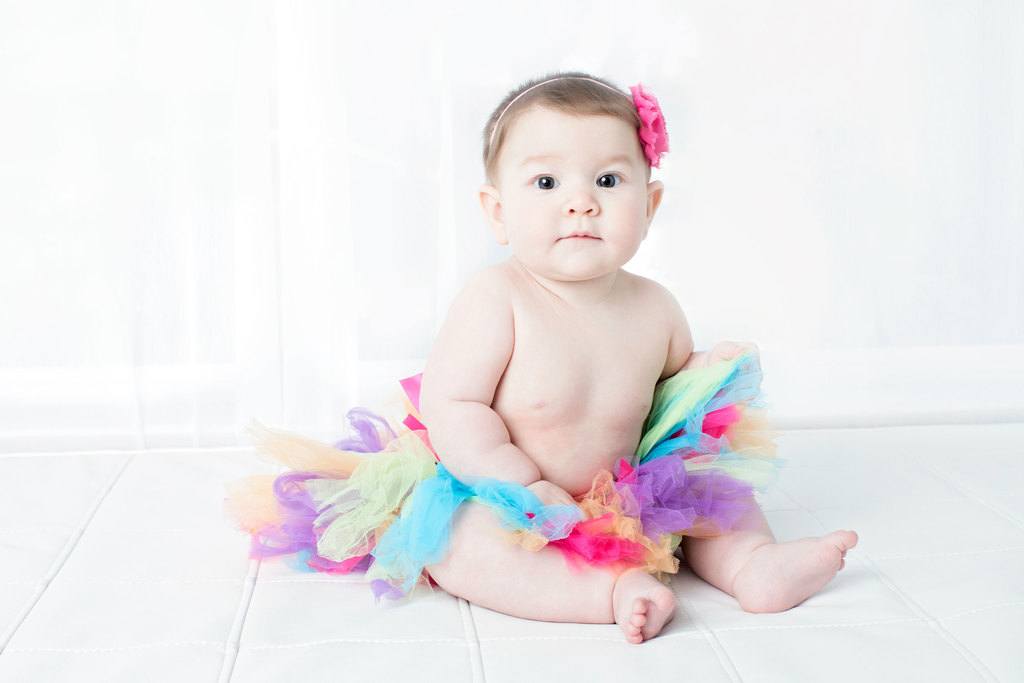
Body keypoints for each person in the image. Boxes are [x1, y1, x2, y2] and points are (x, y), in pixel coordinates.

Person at [227, 71, 858, 645]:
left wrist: (710, 370)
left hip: (629, 492)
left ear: (651, 204)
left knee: (714, 488)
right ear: (498, 212)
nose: (580, 202)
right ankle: (610, 591)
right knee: (458, 546)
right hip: (503, 492)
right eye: (547, 182)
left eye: (608, 181)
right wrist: (519, 482)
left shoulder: (655, 306)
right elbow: (454, 403)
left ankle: (753, 566)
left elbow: (670, 391)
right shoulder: (497, 298)